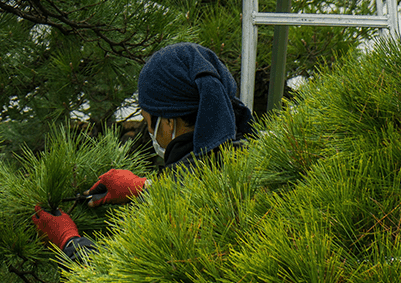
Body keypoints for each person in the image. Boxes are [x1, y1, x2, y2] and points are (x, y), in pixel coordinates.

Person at [32, 42, 255, 260]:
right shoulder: (248, 158)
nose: (148, 131)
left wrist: (68, 241)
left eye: (147, 120)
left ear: (168, 122)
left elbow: (117, 278)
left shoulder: (172, 215)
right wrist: (147, 188)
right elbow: (196, 184)